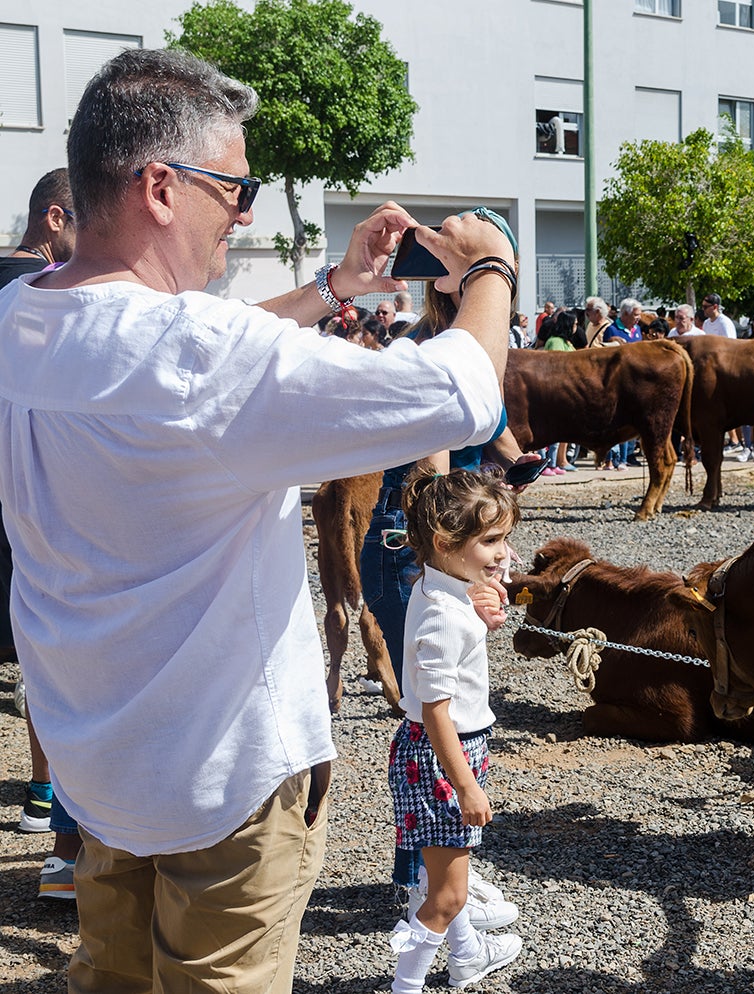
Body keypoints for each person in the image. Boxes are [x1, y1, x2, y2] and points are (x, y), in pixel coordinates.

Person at [0, 48, 515, 992]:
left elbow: (172, 362)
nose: (241, 213)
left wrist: (332, 290)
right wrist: (490, 265)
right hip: (223, 783)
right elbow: (466, 393)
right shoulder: (199, 352)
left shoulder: (19, 318)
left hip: (98, 766)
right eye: (234, 188)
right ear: (161, 186)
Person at [386, 469, 524, 991]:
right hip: (444, 755)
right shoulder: (444, 615)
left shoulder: (442, 584)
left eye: (504, 538)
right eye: (490, 540)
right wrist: (465, 783)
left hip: (438, 752)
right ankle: (407, 986)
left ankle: (466, 956)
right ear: (445, 542)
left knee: (444, 876)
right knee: (446, 897)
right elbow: (437, 710)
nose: (503, 553)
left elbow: (463, 610)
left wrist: (482, 607)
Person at [2, 168, 82, 897]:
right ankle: (46, 804)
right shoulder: (48, 293)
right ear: (54, 219)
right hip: (27, 499)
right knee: (51, 652)